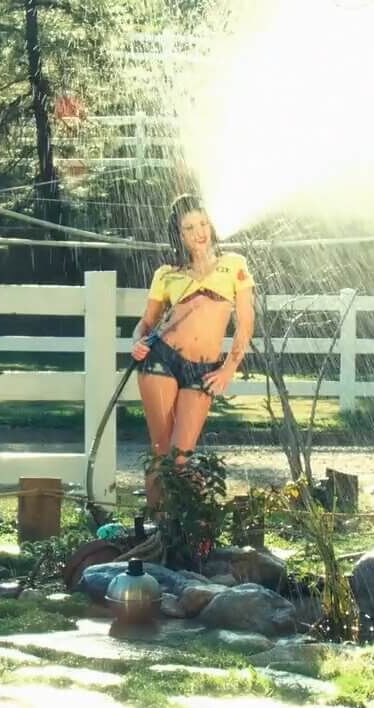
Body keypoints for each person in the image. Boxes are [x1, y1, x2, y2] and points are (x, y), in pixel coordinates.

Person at [131, 194, 255, 513]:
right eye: (189, 227)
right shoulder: (166, 273)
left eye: (202, 223)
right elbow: (147, 323)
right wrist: (137, 341)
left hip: (203, 369)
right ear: (179, 235)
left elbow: (245, 323)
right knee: (162, 453)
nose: (199, 232)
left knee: (181, 457)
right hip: (161, 361)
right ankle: (156, 524)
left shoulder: (234, 265)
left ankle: (181, 527)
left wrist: (229, 369)